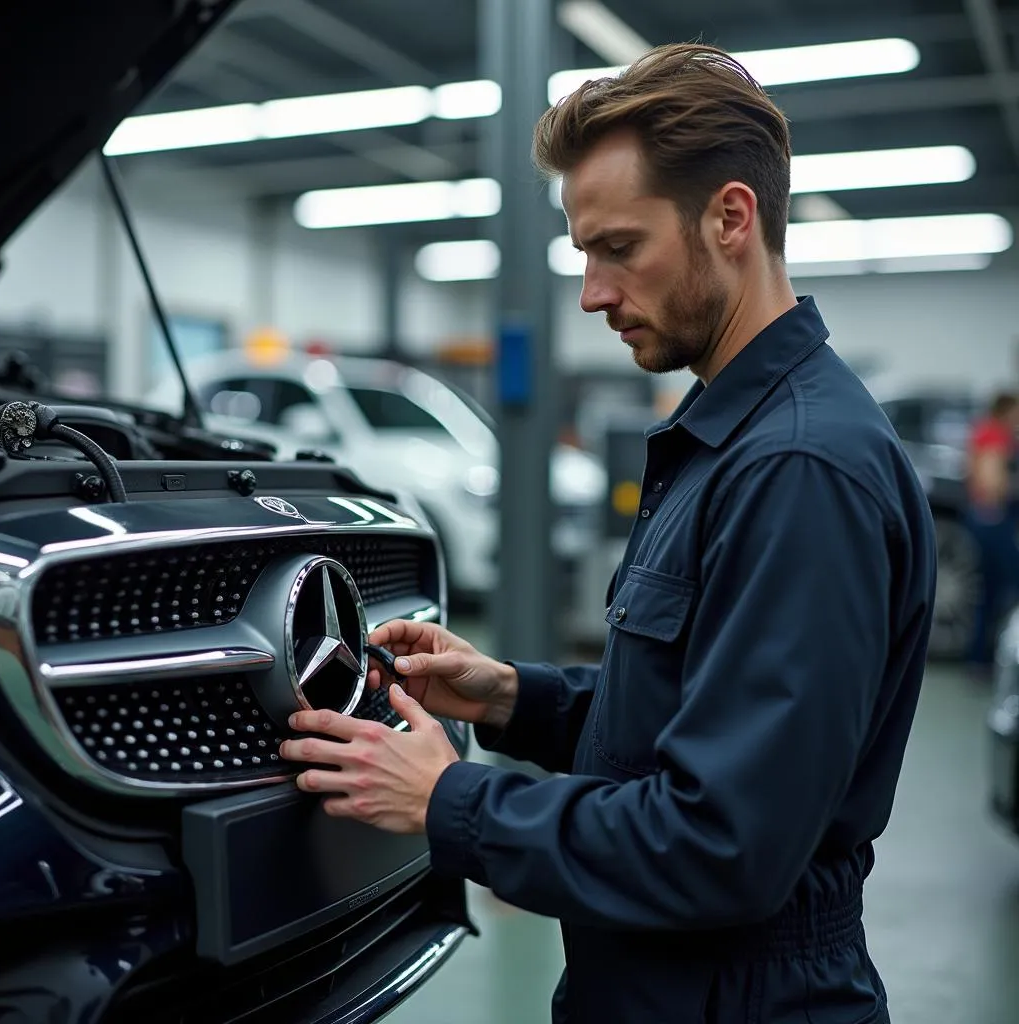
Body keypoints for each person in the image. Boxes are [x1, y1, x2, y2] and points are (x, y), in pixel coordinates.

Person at [280, 42, 937, 1024]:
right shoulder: (730, 438)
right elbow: (691, 718)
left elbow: (722, 843)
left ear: (729, 218)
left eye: (619, 247)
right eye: (585, 252)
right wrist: (513, 699)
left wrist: (451, 800)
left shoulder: (798, 466)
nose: (591, 291)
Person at [964, 390, 1019, 670]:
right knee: (1002, 588)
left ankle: (979, 658)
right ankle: (987, 658)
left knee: (989, 592)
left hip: (981, 519)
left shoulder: (981, 432)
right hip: (992, 520)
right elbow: (991, 483)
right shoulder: (995, 436)